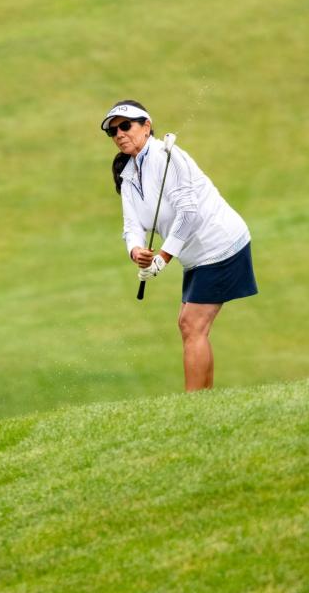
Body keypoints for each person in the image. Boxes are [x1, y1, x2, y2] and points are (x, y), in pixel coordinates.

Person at [101, 99, 257, 392]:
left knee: (191, 324)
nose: (119, 134)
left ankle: (193, 403)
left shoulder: (167, 157)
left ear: (146, 126)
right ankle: (201, 401)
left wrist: (162, 257)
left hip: (219, 243)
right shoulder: (129, 173)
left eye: (126, 126)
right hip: (196, 255)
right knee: (190, 325)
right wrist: (137, 251)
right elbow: (131, 225)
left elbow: (189, 214)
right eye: (113, 131)